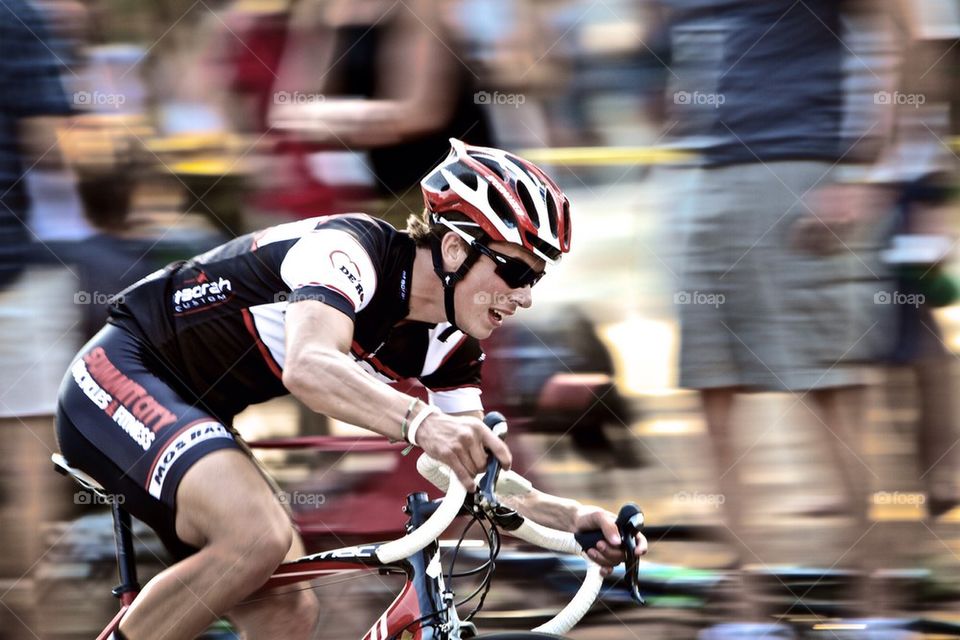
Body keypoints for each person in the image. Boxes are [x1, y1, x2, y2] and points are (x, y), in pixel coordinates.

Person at [54, 138, 647, 640]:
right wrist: (422, 423)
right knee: (255, 536)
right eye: (515, 270)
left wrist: (569, 519)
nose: (525, 296)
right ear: (453, 247)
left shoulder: (450, 342)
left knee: (288, 611)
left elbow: (467, 474)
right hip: (120, 370)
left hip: (195, 413)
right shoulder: (351, 250)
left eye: (535, 277)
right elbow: (310, 366)